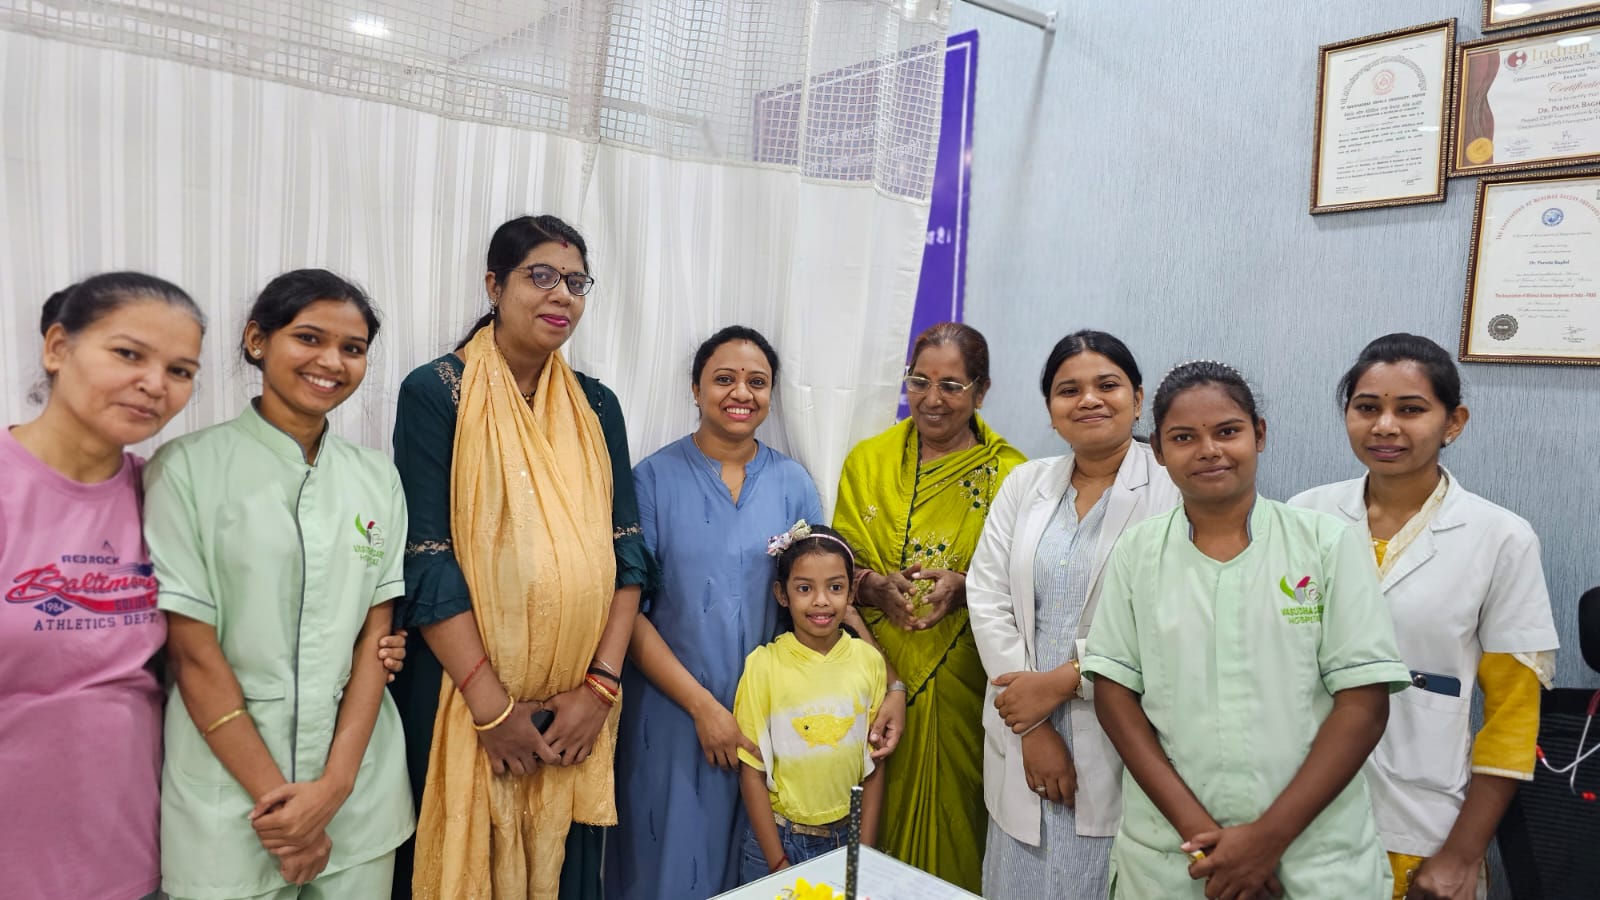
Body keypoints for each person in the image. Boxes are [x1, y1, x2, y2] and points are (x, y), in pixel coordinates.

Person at [389, 214, 653, 900]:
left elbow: (628, 555)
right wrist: (492, 709)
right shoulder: (436, 392)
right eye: (540, 276)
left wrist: (599, 691)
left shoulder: (597, 405)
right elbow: (427, 559)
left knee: (562, 876)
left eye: (575, 282)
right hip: (462, 698)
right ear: (494, 285)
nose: (561, 294)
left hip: (575, 715)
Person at [1082, 360, 1412, 899]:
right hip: (1176, 858)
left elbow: (1364, 703)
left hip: (1311, 858)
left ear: (1259, 434)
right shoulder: (1137, 553)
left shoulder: (1325, 544)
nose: (1208, 450)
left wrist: (1265, 841)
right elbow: (1115, 696)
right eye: (1183, 438)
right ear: (1158, 451)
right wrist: (1209, 846)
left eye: (1227, 431)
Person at [144, 269, 414, 898]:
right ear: (257, 340)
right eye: (309, 338)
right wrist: (291, 819)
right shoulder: (185, 469)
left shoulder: (377, 478)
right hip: (229, 805)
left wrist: (334, 790)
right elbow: (193, 655)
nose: (332, 362)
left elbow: (376, 642)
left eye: (352, 348)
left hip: (358, 799)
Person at [1289, 334, 1559, 900]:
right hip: (1295, 817)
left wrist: (1461, 856)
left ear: (1453, 421)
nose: (1385, 426)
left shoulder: (1500, 538)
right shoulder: (1303, 516)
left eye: (1410, 409)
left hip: (1420, 827)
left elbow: (1511, 717)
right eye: (1367, 408)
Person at [609, 326, 839, 900]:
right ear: (696, 389)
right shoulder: (651, 480)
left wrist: (886, 682)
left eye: (757, 382)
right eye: (724, 379)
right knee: (666, 869)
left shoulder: (793, 484)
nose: (742, 392)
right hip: (672, 717)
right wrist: (702, 707)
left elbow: (823, 601)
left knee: (764, 872)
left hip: (773, 722)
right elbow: (628, 612)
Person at [0, 273, 204, 900]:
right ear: (57, 348)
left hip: (132, 858)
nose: (155, 384)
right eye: (128, 353)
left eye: (180, 370)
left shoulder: (166, 494)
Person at [967, 331, 1180, 899]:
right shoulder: (1025, 484)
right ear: (1050, 409)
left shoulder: (1172, 487)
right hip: (1020, 729)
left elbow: (1170, 615)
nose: (1088, 400)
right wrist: (1032, 723)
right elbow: (987, 597)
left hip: (1120, 731)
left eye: (1107, 385)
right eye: (1069, 390)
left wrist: (1064, 682)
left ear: (1138, 398)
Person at [832, 321, 1025, 891]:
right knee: (866, 823)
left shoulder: (1013, 476)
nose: (932, 398)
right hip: (872, 670)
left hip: (963, 681)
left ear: (981, 392)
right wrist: (873, 587)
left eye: (951, 385)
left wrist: (965, 587)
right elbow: (837, 568)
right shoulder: (867, 462)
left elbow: (1028, 583)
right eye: (919, 381)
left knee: (955, 825)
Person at [735, 521, 886, 881]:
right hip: (778, 841)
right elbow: (752, 771)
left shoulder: (869, 662)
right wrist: (777, 863)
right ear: (782, 594)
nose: (821, 600)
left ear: (851, 592)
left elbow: (875, 767)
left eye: (835, 587)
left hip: (846, 839)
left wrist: (861, 854)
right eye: (805, 588)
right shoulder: (763, 666)